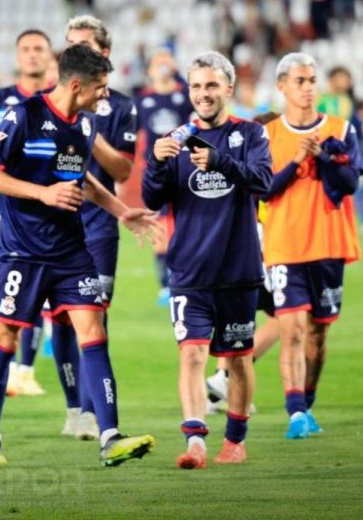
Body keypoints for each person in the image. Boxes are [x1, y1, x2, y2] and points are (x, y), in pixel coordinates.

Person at [0, 44, 159, 467]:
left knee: (93, 330)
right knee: (7, 337)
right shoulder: (22, 116)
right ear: (77, 85)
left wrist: (122, 212)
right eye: (101, 88)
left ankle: (110, 435)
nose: (105, 97)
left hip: (70, 250)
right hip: (22, 253)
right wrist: (42, 192)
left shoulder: (85, 126)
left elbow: (86, 180)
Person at [143, 52, 272, 467]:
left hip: (238, 269)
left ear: (228, 89)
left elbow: (264, 181)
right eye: (197, 86)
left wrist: (220, 162)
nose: (204, 93)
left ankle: (235, 440)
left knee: (237, 357)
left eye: (212, 85)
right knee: (192, 354)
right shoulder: (176, 139)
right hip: (189, 270)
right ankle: (195, 440)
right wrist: (156, 164)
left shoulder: (251, 134)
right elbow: (151, 198)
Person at [262, 52, 362, 440]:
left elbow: (352, 182)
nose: (308, 88)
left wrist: (322, 156)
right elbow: (265, 189)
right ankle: (295, 412)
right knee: (291, 331)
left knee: (318, 336)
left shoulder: (340, 128)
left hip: (328, 242)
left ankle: (308, 399)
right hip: (285, 244)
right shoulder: (267, 135)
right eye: (300, 81)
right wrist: (296, 161)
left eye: (311, 80)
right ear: (282, 86)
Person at [48, 15, 138, 441]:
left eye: (80, 44)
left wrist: (88, 134)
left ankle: (94, 412)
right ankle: (74, 411)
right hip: (54, 228)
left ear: (103, 51)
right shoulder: (48, 104)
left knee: (94, 317)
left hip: (98, 227)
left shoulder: (120, 106)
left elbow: (121, 168)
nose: (72, 50)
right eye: (68, 44)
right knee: (59, 321)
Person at [0, 29, 56, 397]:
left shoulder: (59, 99)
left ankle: (26, 369)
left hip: (54, 213)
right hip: (10, 211)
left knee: (47, 297)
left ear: (50, 56)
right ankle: (18, 368)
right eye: (26, 48)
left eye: (39, 48)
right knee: (16, 291)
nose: (33, 55)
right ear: (17, 55)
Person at [136, 49, 195, 306]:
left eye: (166, 61)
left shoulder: (184, 96)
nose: (162, 66)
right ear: (149, 70)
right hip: (158, 172)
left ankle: (188, 277)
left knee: (188, 225)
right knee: (160, 228)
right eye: (157, 62)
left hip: (184, 170)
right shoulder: (142, 101)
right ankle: (164, 286)